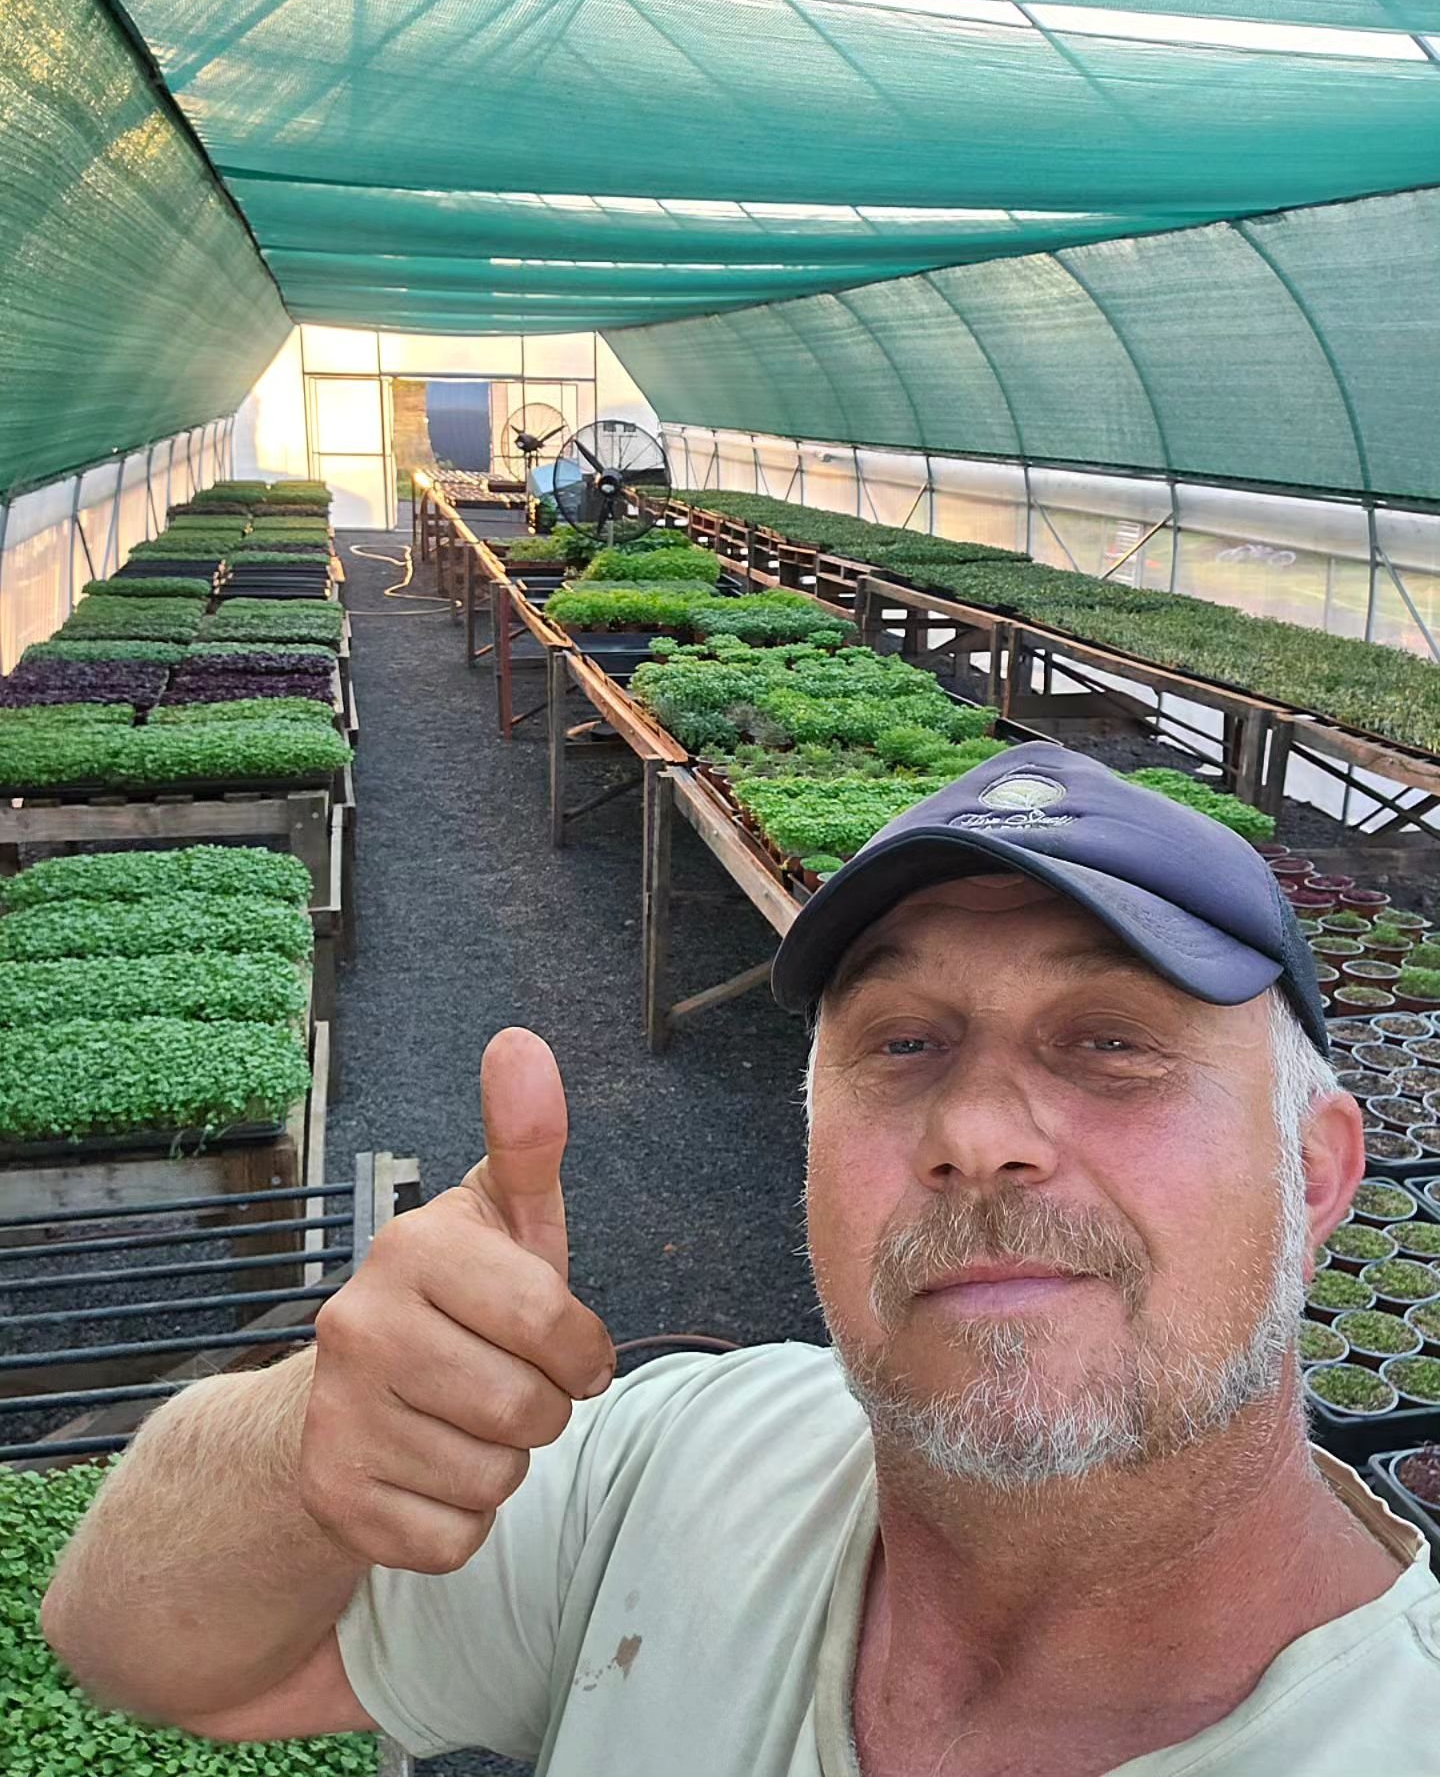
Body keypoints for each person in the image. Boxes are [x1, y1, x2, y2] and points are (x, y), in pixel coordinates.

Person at [42, 744, 1440, 1776]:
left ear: (1314, 1176)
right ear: (813, 1153)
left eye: (1112, 1043)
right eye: (904, 1045)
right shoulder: (669, 1463)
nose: (977, 1134)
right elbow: (139, 1647)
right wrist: (302, 1439)